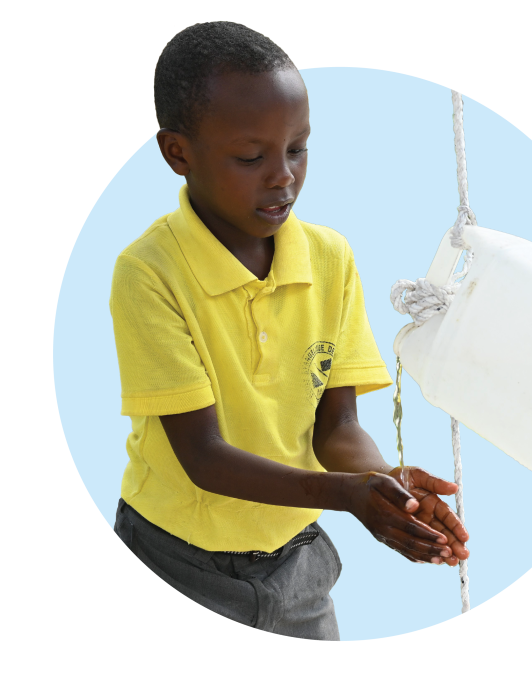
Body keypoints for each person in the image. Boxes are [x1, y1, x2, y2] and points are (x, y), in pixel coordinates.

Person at [110, 20, 470, 640]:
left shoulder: (329, 257)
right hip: (174, 560)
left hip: (297, 565)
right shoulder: (149, 273)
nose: (283, 175)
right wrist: (349, 494)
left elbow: (338, 427)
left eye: (297, 148)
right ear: (178, 154)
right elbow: (203, 458)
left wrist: (382, 486)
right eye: (251, 157)